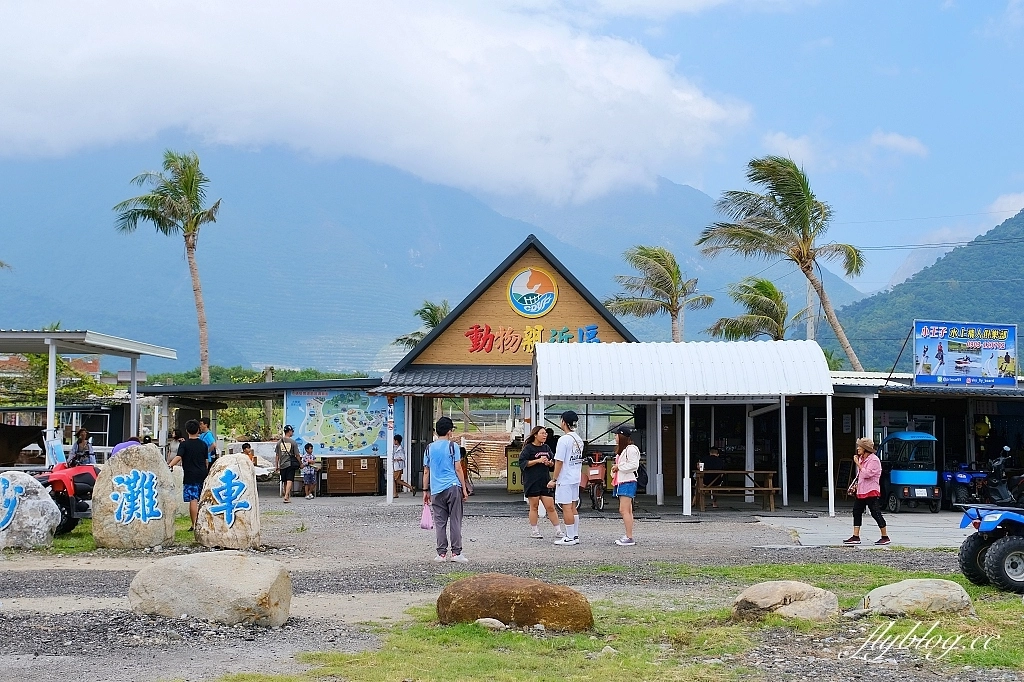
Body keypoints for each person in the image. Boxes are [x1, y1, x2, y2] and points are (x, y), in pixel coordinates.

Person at [423, 416, 469, 563]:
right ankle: (456, 553)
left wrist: (425, 491)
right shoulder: (453, 446)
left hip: (436, 490)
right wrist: (464, 489)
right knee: (455, 520)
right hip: (453, 487)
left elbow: (426, 471)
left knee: (440, 522)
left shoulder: (429, 448)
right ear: (449, 431)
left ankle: (441, 554)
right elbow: (458, 469)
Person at [518, 426, 564, 539]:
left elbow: (553, 462)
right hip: (532, 480)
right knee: (534, 506)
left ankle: (558, 530)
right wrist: (537, 461)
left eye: (545, 434)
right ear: (535, 435)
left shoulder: (547, 447)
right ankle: (534, 530)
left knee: (551, 506)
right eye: (542, 433)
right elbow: (523, 463)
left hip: (545, 480)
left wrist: (549, 463)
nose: (545, 435)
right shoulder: (528, 448)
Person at [547, 410, 585, 546]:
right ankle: (574, 535)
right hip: (575, 476)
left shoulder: (563, 440)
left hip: (565, 477)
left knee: (566, 507)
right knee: (573, 506)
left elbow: (559, 461)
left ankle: (569, 537)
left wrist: (554, 479)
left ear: (564, 422)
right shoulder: (578, 439)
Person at [844, 437, 890, 546]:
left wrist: (857, 464)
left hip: (871, 490)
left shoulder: (874, 460)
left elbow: (867, 474)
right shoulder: (862, 458)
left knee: (875, 513)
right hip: (862, 490)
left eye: (860, 447)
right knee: (857, 511)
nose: (858, 448)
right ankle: (856, 536)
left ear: (865, 449)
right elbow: (860, 475)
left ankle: (885, 536)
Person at [167, 419, 209, 532]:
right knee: (202, 499)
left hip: (190, 474)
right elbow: (206, 461)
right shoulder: (203, 444)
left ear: (187, 430)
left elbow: (179, 457)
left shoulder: (184, 444)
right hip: (202, 473)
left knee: (193, 499)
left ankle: (195, 524)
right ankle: (204, 523)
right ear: (198, 430)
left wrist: (169, 465)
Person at [611, 425, 640, 546]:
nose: (615, 437)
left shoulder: (631, 449)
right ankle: (628, 535)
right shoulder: (624, 450)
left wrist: (619, 467)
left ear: (621, 436)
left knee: (624, 510)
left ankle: (629, 537)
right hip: (623, 481)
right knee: (627, 510)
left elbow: (634, 465)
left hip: (627, 482)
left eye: (616, 435)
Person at [276, 425, 301, 503]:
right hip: (290, 464)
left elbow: (277, 455)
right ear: (289, 431)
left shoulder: (279, 442)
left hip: (282, 464)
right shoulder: (293, 442)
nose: (292, 432)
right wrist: (300, 463)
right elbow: (297, 455)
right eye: (292, 431)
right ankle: (287, 495)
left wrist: (277, 466)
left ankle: (286, 495)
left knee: (284, 481)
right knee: (290, 479)